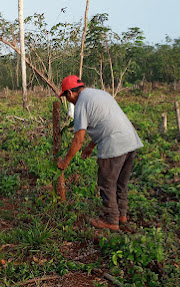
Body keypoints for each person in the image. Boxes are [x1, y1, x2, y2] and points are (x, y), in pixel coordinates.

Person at [57, 75, 143, 231]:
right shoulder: (99, 94)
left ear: (70, 93)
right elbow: (105, 122)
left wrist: (65, 162)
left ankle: (111, 220)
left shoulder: (81, 103)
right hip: (131, 141)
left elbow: (78, 139)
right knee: (121, 183)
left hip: (114, 145)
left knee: (107, 183)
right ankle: (122, 216)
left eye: (66, 97)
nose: (68, 101)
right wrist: (91, 146)